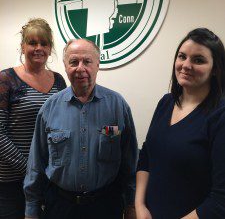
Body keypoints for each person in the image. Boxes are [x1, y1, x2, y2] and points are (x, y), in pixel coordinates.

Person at [24, 38, 138, 219]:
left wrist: (131, 205)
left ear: (98, 64)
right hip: (60, 207)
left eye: (87, 61)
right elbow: (36, 164)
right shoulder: (49, 108)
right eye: (74, 62)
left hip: (106, 205)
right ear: (65, 66)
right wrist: (31, 209)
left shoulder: (118, 106)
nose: (80, 68)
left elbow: (130, 162)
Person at [135, 28, 225, 219]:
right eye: (182, 56)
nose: (186, 65)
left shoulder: (220, 115)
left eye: (198, 60)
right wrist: (140, 206)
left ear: (216, 69)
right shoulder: (166, 103)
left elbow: (220, 200)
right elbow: (146, 156)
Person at [0, 18, 67, 219]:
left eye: (44, 43)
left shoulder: (58, 81)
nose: (38, 48)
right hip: (11, 180)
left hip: (47, 177)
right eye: (32, 43)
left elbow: (63, 126)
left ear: (50, 48)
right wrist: (30, 169)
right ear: (22, 47)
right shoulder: (6, 79)